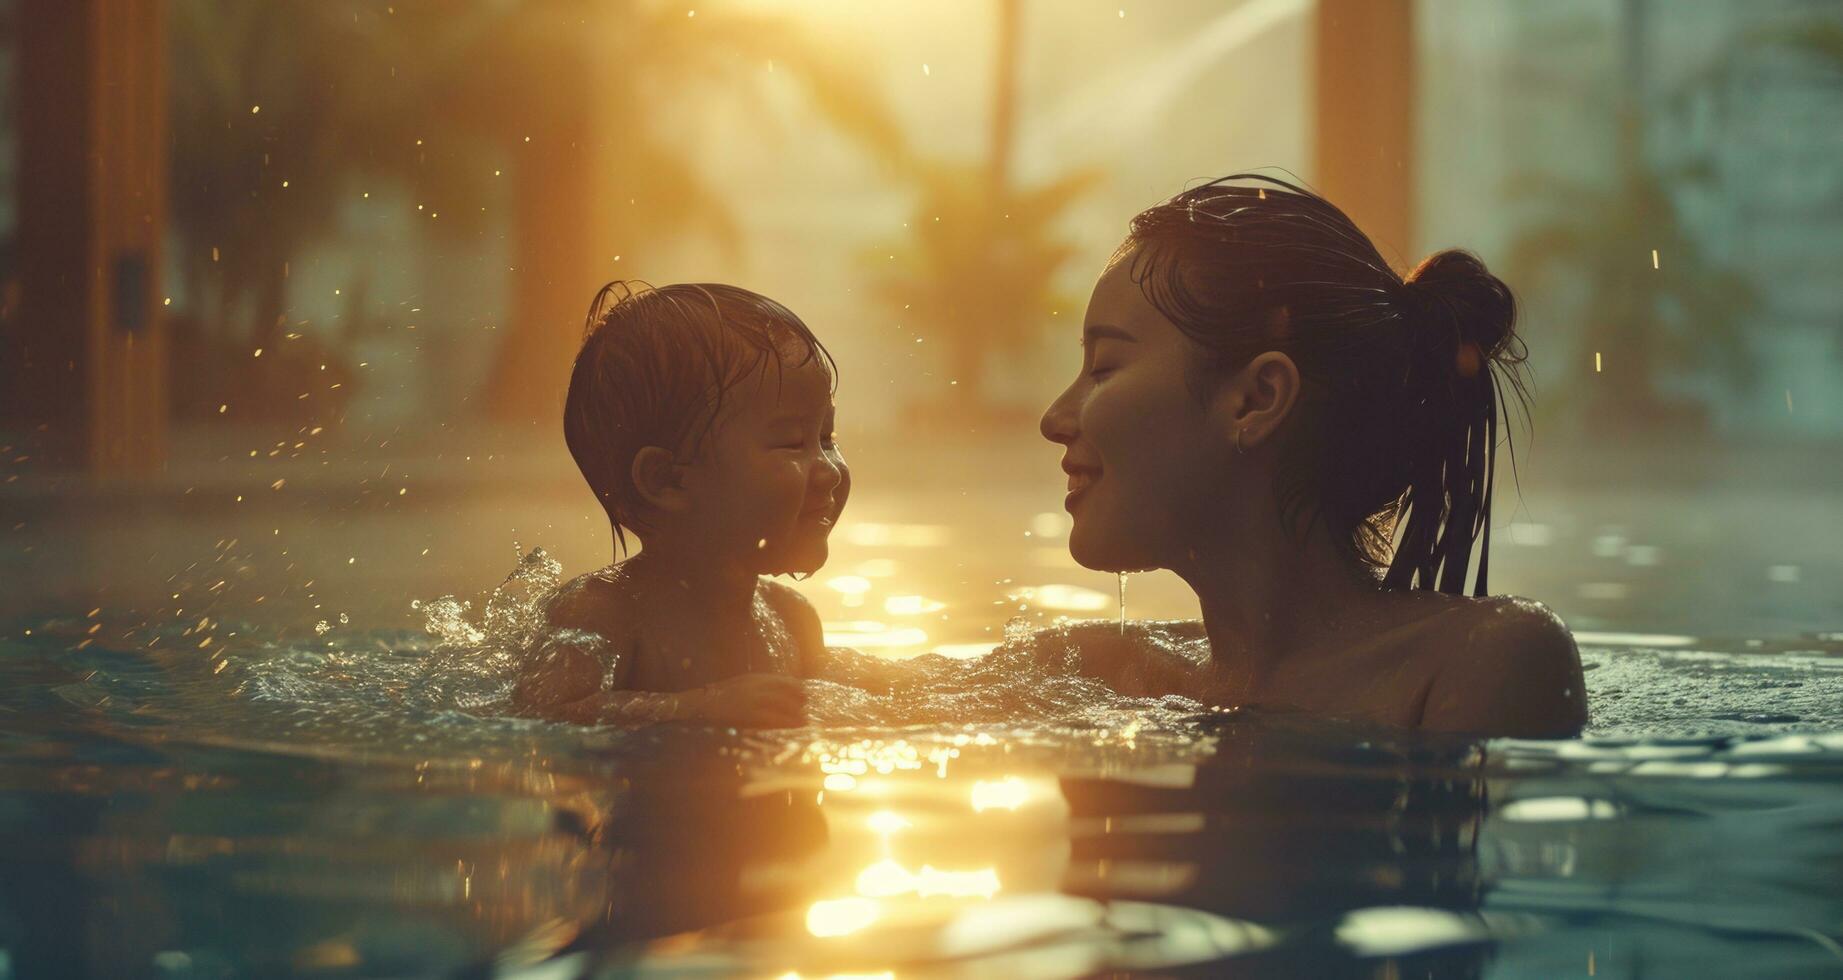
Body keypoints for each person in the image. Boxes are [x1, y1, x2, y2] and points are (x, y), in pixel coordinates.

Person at [1038, 175, 1587, 738]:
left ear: (1257, 399)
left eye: (1103, 367)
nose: (1054, 419)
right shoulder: (1091, 668)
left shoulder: (1480, 665)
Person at [511, 282, 848, 728]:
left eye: (827, 439)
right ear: (666, 479)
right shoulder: (602, 615)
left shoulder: (793, 619)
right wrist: (689, 709)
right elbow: (539, 715)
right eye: (791, 442)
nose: (829, 470)